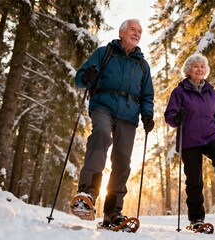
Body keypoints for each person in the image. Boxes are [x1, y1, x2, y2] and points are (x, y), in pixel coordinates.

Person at [71, 19, 154, 227]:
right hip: (103, 106)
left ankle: (113, 212)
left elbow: (147, 95)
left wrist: (148, 115)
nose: (137, 33)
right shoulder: (104, 53)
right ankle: (87, 193)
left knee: (123, 160)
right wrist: (86, 76)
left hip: (129, 115)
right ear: (122, 32)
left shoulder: (143, 64)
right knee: (101, 134)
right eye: (133, 30)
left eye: (140, 31)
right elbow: (80, 79)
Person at [164, 53, 215, 231]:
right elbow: (169, 116)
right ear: (188, 70)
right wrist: (176, 117)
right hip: (189, 139)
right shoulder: (180, 91)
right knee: (194, 179)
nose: (199, 69)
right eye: (196, 66)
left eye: (202, 66)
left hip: (211, 135)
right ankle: (196, 219)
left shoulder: (212, 93)